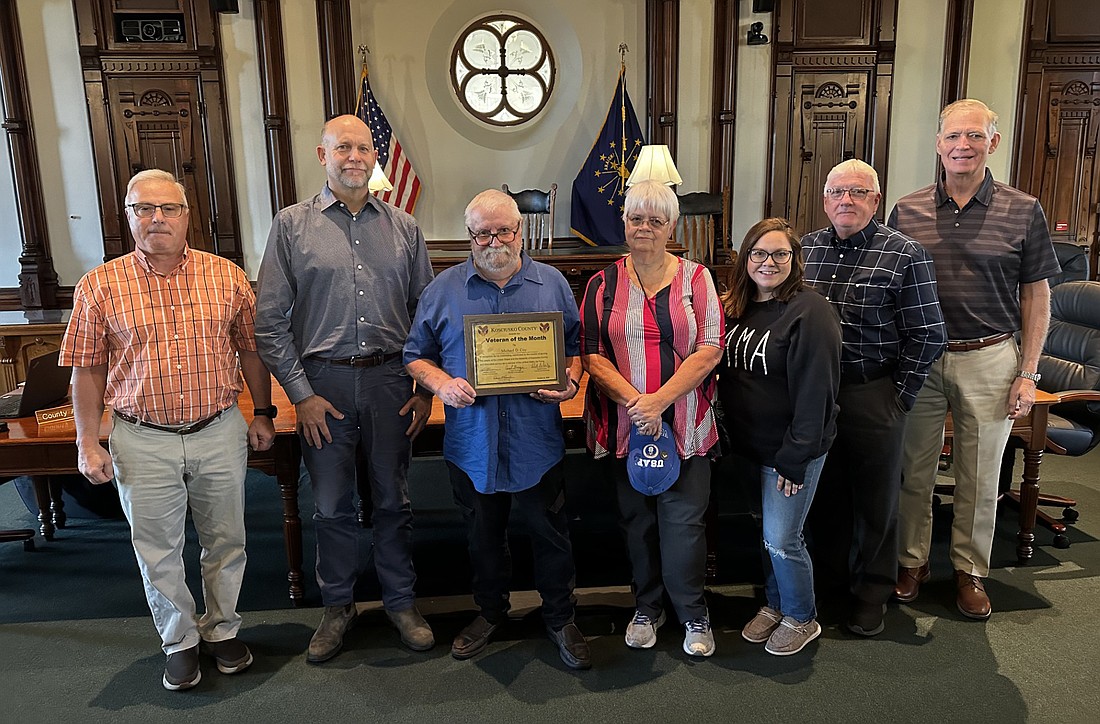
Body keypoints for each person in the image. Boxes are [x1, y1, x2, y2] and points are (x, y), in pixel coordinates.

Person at [61, 169, 276, 691]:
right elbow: (86, 369)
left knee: (227, 538)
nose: (157, 218)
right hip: (141, 435)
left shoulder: (226, 277)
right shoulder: (99, 285)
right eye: (144, 209)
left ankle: (222, 629)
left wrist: (264, 412)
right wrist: (87, 441)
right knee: (157, 546)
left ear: (187, 216)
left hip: (218, 429)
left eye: (169, 208)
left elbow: (251, 349)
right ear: (129, 216)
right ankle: (179, 640)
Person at [255, 114, 435, 663]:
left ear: (374, 155)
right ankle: (338, 607)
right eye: (343, 148)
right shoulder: (291, 226)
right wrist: (299, 394)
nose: (355, 156)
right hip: (322, 387)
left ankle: (401, 601)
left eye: (364, 147)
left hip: (390, 381)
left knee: (393, 498)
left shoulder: (403, 227)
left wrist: (425, 388)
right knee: (331, 505)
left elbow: (427, 316)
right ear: (322, 155)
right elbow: (269, 321)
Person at [404, 189, 590, 670]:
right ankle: (489, 613)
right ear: (470, 236)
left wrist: (569, 381)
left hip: (537, 441)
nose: (493, 241)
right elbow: (415, 355)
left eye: (502, 230)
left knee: (551, 535)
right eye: (481, 232)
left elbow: (573, 346)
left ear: (519, 231)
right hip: (473, 443)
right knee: (482, 537)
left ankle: (560, 617)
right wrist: (441, 384)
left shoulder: (551, 283)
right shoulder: (443, 289)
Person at [889, 99, 1060, 620]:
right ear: (938, 144)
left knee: (980, 476)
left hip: (989, 357)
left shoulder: (1024, 209)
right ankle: (911, 561)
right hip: (920, 358)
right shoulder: (907, 209)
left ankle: (970, 570)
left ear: (993, 142)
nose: (962, 146)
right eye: (953, 137)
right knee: (912, 471)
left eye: (974, 136)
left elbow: (1037, 296)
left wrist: (1028, 374)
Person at [580, 179, 724, 657]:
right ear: (624, 224)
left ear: (671, 227)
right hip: (625, 424)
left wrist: (660, 399)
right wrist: (636, 402)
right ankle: (647, 607)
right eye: (635, 219)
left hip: (684, 423)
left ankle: (693, 613)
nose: (644, 227)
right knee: (637, 522)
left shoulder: (697, 278)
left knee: (684, 523)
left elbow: (710, 348)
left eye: (655, 220)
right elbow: (592, 353)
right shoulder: (602, 284)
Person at [802, 159, 946, 637]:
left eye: (858, 192)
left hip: (874, 392)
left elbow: (928, 334)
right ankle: (829, 588)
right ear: (824, 200)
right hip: (817, 397)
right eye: (837, 191)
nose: (846, 200)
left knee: (877, 502)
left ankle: (871, 594)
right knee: (825, 498)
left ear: (876, 201)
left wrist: (898, 399)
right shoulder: (805, 251)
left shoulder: (905, 254)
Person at [718, 218, 841, 656]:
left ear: (795, 260)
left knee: (783, 539)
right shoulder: (738, 306)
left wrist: (795, 457)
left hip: (791, 452)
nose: (768, 263)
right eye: (759, 254)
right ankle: (776, 604)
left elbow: (818, 395)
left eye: (780, 254)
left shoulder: (811, 310)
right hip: (748, 448)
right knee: (765, 534)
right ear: (745, 258)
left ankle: (802, 616)